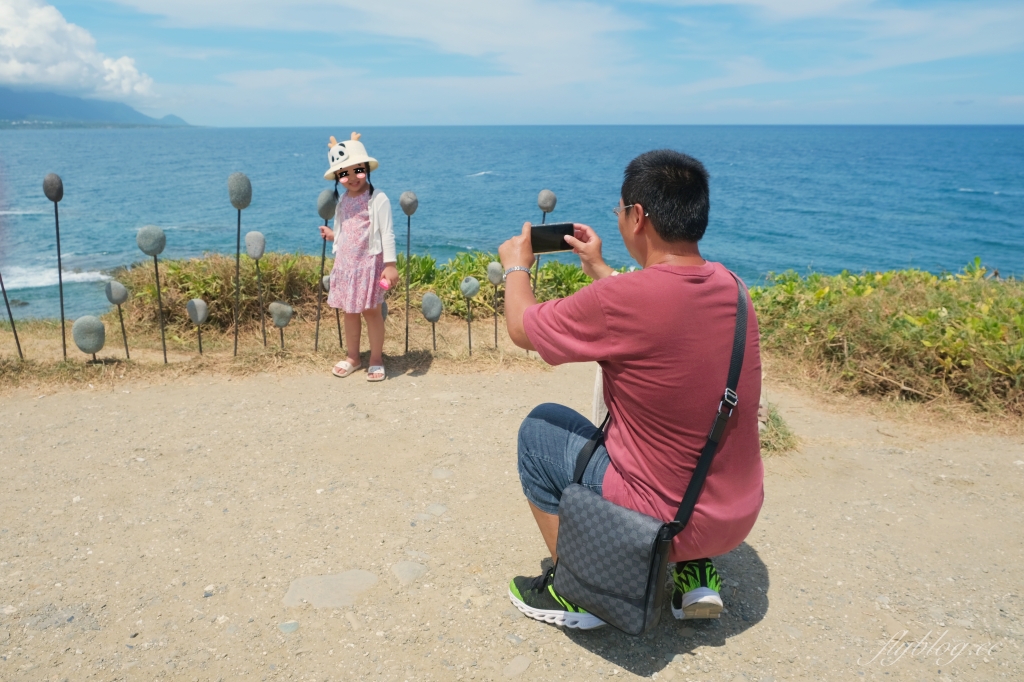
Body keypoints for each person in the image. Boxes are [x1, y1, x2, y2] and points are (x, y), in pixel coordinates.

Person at [498, 149, 763, 629]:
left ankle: (583, 589)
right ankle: (693, 571)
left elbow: (521, 328)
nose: (619, 219)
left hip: (669, 520)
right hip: (736, 515)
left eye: (619, 210)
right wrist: (598, 266)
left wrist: (516, 267)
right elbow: (661, 311)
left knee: (539, 431)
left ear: (637, 216)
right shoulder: (736, 290)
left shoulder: (621, 301)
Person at [318, 132, 398, 381]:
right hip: (345, 265)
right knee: (349, 312)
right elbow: (346, 227)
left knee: (372, 312)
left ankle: (376, 358)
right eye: (344, 173)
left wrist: (391, 264)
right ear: (338, 177)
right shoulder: (342, 201)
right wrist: (334, 235)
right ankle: (353, 356)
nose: (351, 178)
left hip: (369, 265)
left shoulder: (378, 199)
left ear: (366, 168)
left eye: (357, 171)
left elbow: (387, 233)